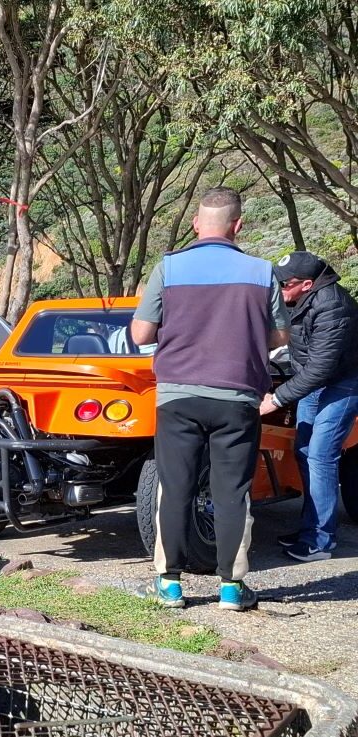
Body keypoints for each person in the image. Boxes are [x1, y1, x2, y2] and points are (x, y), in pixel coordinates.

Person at [130, 186, 290, 612]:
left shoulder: (169, 268)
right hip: (238, 397)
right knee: (232, 491)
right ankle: (232, 590)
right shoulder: (262, 271)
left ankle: (169, 586)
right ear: (238, 226)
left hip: (178, 396)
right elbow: (279, 337)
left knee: (176, 487)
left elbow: (141, 335)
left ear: (197, 224)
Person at [258, 251, 358, 562]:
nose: (279, 287)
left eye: (285, 283)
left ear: (307, 284)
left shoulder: (334, 307)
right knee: (303, 450)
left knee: (321, 454)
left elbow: (321, 368)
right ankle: (310, 528)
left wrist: (275, 398)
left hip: (344, 381)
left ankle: (319, 541)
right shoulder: (294, 299)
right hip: (314, 379)